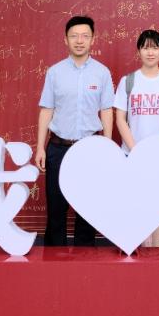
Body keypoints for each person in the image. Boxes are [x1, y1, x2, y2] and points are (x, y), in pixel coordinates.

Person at [34, 15, 114, 247]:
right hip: (58, 147)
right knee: (56, 207)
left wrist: (107, 146)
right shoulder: (54, 72)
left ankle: (85, 258)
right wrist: (40, 147)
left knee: (88, 208)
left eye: (85, 36)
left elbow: (106, 111)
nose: (79, 41)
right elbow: (46, 110)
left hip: (90, 147)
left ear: (93, 40)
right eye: (74, 36)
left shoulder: (102, 73)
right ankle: (54, 259)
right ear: (65, 40)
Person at [113, 29, 159, 247]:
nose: (150, 52)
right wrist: (136, 150)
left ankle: (155, 254)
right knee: (136, 207)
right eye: (145, 47)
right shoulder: (128, 81)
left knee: (158, 208)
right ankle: (140, 255)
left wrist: (158, 149)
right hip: (131, 155)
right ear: (139, 51)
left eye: (155, 47)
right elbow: (120, 119)